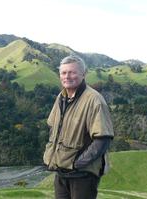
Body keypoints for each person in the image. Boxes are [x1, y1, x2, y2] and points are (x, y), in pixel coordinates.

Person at [43, 55, 114, 199]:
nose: (67, 76)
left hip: (83, 174)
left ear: (83, 74)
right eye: (64, 73)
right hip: (62, 171)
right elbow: (52, 127)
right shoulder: (61, 97)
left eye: (72, 72)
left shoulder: (94, 100)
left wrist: (77, 164)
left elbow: (103, 139)